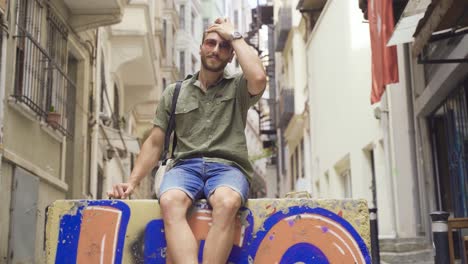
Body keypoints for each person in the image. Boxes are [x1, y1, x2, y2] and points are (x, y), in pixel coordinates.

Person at [108, 17, 266, 263]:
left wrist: (234, 35)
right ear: (201, 47)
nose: (215, 50)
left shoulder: (238, 87)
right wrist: (132, 181)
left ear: (231, 55)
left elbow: (258, 78)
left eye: (223, 46)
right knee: (170, 201)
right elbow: (154, 142)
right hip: (185, 168)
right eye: (210, 43)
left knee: (228, 202)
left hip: (228, 168)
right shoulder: (175, 92)